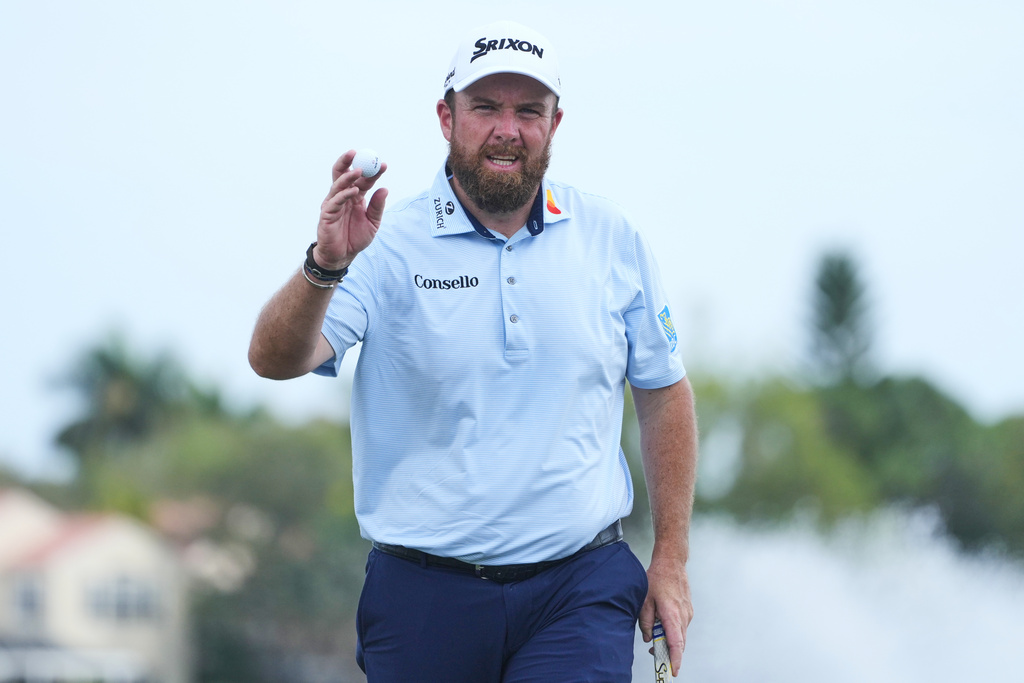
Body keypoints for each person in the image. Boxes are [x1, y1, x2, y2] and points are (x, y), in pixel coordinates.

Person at [249, 19, 697, 682]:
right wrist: (326, 264)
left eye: (528, 111)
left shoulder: (611, 235)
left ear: (555, 121)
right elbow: (277, 357)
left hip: (579, 586)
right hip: (424, 594)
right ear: (446, 117)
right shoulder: (386, 243)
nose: (507, 130)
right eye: (486, 108)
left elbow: (663, 393)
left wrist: (670, 560)